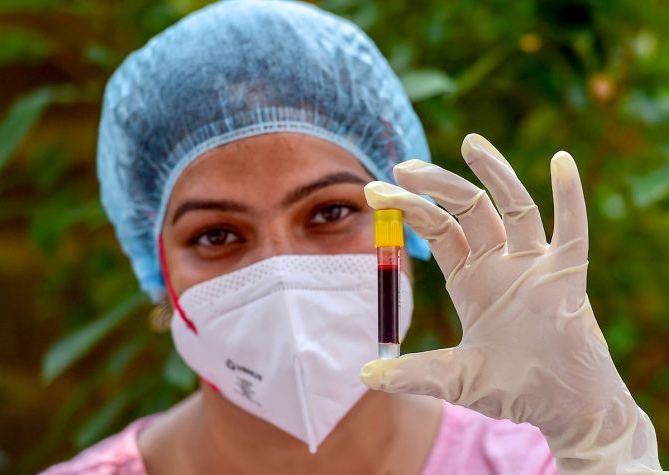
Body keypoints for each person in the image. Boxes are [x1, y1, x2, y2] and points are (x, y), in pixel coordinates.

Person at [42, 1, 664, 474]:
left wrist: (601, 444)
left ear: (410, 226)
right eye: (216, 234)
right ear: (159, 274)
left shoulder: (541, 464)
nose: (282, 271)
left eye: (331, 212)